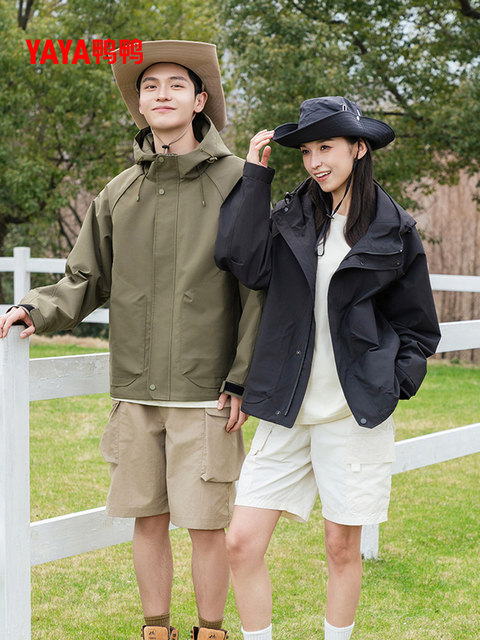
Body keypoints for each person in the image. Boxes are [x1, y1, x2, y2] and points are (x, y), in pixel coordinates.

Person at [0, 40, 264, 640]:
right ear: (139, 105)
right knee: (147, 521)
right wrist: (34, 309)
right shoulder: (118, 192)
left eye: (176, 85)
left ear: (200, 101)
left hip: (207, 393)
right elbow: (84, 278)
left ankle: (210, 631)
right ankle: (155, 630)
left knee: (206, 525)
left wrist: (243, 377)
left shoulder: (239, 183)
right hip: (135, 391)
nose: (162, 94)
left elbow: (258, 291)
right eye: (150, 86)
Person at [215, 96, 441, 640]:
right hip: (287, 405)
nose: (315, 162)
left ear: (357, 149)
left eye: (326, 148)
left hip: (352, 412)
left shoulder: (393, 229)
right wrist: (255, 178)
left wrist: (390, 383)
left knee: (342, 547)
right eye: (307, 151)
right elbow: (240, 260)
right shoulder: (291, 216)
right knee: (241, 542)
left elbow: (419, 327)